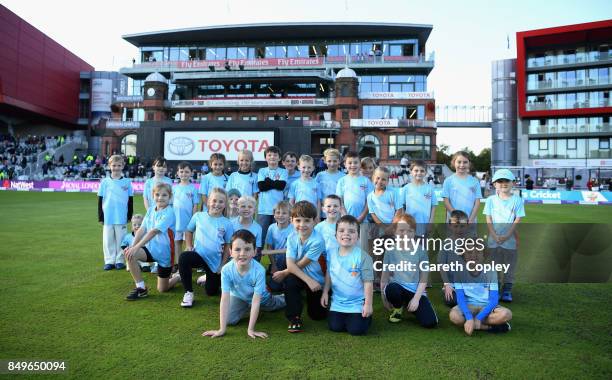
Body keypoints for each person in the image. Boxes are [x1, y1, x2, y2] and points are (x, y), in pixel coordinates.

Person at [202, 230, 286, 339]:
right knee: (229, 320)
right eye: (237, 249)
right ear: (230, 252)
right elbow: (225, 298)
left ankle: (283, 297)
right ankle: (249, 309)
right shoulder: (226, 270)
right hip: (239, 297)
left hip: (262, 298)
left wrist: (251, 329)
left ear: (255, 252)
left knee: (277, 304)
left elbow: (256, 301)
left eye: (247, 249)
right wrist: (222, 329)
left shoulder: (259, 270)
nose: (242, 253)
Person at [123, 183, 180, 300]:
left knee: (163, 289)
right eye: (157, 195)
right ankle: (141, 288)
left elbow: (153, 232)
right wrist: (133, 247)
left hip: (165, 254)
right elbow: (142, 229)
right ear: (153, 196)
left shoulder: (170, 212)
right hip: (150, 249)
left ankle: (178, 277)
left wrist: (137, 247)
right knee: (129, 254)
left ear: (170, 197)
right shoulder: (150, 210)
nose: (160, 198)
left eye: (164, 195)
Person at [178, 187, 234, 307]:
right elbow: (188, 231)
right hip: (198, 256)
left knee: (211, 292)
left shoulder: (227, 223)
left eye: (221, 202)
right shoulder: (199, 216)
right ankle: (188, 293)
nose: (217, 204)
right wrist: (188, 245)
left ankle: (205, 278)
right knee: (184, 257)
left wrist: (222, 265)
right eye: (214, 201)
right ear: (208, 201)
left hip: (214, 263)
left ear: (225, 204)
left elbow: (228, 246)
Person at [381, 214, 438, 328]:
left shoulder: (421, 251)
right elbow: (384, 277)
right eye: (401, 230)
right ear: (395, 231)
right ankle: (398, 308)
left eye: (410, 231)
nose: (405, 235)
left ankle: (409, 304)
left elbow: (423, 279)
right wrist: (384, 298)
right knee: (392, 289)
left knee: (430, 322)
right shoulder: (390, 251)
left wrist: (416, 299)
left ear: (414, 232)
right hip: (398, 288)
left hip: (415, 291)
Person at [321, 215, 374, 335]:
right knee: (335, 327)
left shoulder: (363, 257)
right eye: (341, 230)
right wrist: (325, 292)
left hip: (357, 303)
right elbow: (329, 274)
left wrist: (368, 304)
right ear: (336, 235)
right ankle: (348, 318)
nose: (346, 234)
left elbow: (368, 283)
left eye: (351, 231)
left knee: (356, 330)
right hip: (338, 303)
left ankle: (365, 316)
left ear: (358, 236)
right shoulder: (331, 253)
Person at [283, 201, 327, 332]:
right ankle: (294, 317)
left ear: (314, 221)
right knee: (290, 281)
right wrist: (288, 272)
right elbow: (290, 265)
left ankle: (326, 294)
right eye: (298, 220)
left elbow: (300, 264)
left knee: (317, 316)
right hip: (301, 276)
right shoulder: (291, 237)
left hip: (316, 280)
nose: (302, 225)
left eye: (307, 220)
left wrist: (285, 271)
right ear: (291, 221)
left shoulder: (318, 240)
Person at [449, 248, 512, 335]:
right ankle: (489, 327)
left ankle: (474, 323)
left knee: (506, 314)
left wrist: (479, 318)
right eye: (470, 252)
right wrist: (469, 317)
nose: (474, 255)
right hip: (469, 305)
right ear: (464, 255)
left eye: (478, 252)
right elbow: (460, 298)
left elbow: (494, 300)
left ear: (483, 255)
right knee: (454, 317)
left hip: (487, 306)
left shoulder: (490, 271)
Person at [484, 169, 525, 302]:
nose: (503, 184)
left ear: (513, 183)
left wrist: (508, 235)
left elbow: (517, 219)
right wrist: (494, 235)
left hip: (510, 240)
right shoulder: (490, 200)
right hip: (493, 239)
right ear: (495, 184)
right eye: (499, 181)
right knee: (492, 265)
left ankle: (506, 290)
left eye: (506, 181)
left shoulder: (517, 200)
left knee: (509, 266)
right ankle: (493, 288)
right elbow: (488, 219)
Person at [98, 155, 133, 270]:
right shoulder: (105, 182)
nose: (116, 168)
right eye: (114, 165)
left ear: (123, 166)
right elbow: (100, 200)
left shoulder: (127, 182)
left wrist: (129, 215)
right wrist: (100, 216)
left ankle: (119, 260)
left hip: (121, 215)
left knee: (121, 239)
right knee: (108, 240)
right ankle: (109, 260)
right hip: (108, 216)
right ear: (109, 166)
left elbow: (130, 200)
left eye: (119, 165)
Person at [438, 210, 471, 307]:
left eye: (462, 226)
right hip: (452, 283)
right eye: (455, 226)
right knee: (451, 301)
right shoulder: (446, 243)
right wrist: (447, 284)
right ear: (450, 226)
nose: (459, 230)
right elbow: (442, 265)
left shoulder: (472, 242)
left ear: (467, 225)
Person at [257, 146, 288, 244]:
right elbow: (261, 187)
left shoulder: (283, 171)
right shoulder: (262, 171)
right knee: (260, 238)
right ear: (266, 158)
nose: (272, 157)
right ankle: (257, 258)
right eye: (269, 155)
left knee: (277, 239)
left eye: (275, 155)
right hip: (264, 210)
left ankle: (277, 259)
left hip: (279, 211)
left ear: (279, 158)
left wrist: (268, 181)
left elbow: (281, 186)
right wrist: (275, 183)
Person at [173, 162, 200, 268]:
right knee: (177, 242)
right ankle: (178, 262)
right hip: (176, 221)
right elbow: (171, 205)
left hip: (188, 222)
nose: (184, 174)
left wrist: (193, 220)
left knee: (188, 243)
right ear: (178, 173)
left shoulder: (193, 188)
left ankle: (186, 263)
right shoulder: (174, 188)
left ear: (191, 173)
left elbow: (195, 205)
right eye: (182, 171)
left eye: (187, 172)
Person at [442, 151, 482, 223]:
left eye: (465, 162)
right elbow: (446, 202)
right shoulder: (448, 181)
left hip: (470, 220)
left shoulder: (475, 181)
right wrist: (456, 217)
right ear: (454, 163)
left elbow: (477, 202)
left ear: (469, 164)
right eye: (459, 162)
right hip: (453, 221)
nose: (462, 165)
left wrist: (470, 220)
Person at [401, 160, 437, 237]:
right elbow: (401, 207)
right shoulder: (406, 188)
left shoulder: (429, 189)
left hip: (424, 224)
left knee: (423, 247)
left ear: (426, 173)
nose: (419, 173)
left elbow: (433, 206)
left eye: (422, 171)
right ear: (411, 172)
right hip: (409, 225)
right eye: (416, 170)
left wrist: (430, 223)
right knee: (409, 247)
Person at [265, 200, 295, 292]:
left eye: (284, 213)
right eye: (278, 212)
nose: (280, 215)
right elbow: (269, 247)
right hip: (276, 261)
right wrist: (274, 265)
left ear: (290, 215)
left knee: (290, 285)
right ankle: (272, 270)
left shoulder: (293, 228)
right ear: (274, 215)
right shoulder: (271, 228)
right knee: (274, 287)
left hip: (290, 261)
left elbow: (292, 250)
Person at [336, 151, 373, 222]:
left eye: (356, 163)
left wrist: (361, 217)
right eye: (350, 163)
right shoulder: (341, 181)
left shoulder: (366, 181)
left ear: (360, 164)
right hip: (346, 220)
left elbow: (369, 201)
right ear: (345, 164)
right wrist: (345, 215)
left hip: (363, 220)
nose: (353, 165)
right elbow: (340, 201)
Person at [314, 148, 345, 220]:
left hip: (337, 212)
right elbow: (316, 192)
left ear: (339, 161)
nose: (332, 163)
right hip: (323, 212)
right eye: (329, 161)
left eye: (335, 161)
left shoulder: (343, 176)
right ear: (325, 161)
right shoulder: (319, 175)